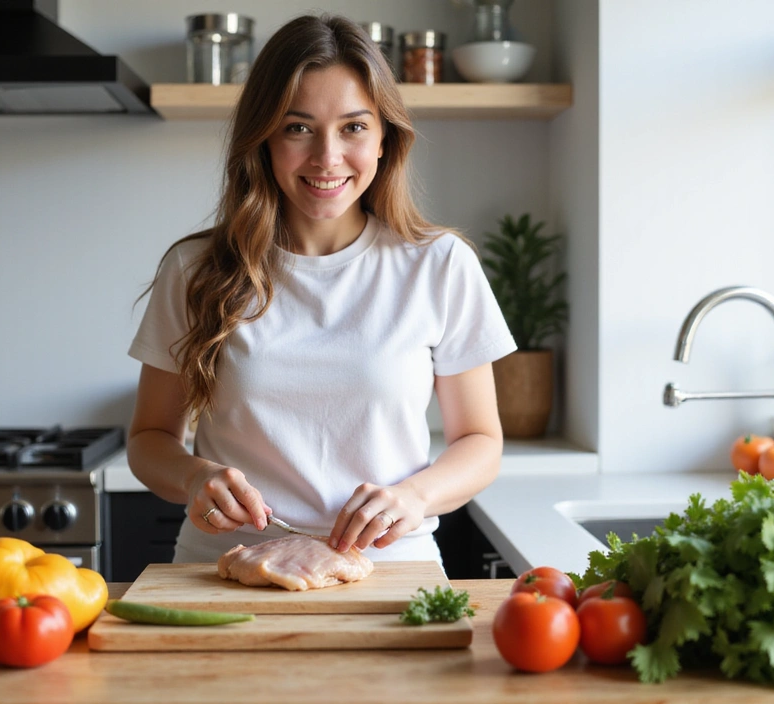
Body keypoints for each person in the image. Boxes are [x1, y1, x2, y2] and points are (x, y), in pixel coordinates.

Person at [127, 14, 516, 565]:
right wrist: (194, 476)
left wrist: (415, 496)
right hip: (224, 572)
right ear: (263, 138)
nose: (327, 158)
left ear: (385, 138)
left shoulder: (440, 264)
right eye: (298, 127)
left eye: (354, 127)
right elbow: (147, 439)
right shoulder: (196, 269)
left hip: (389, 572)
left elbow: (481, 441)